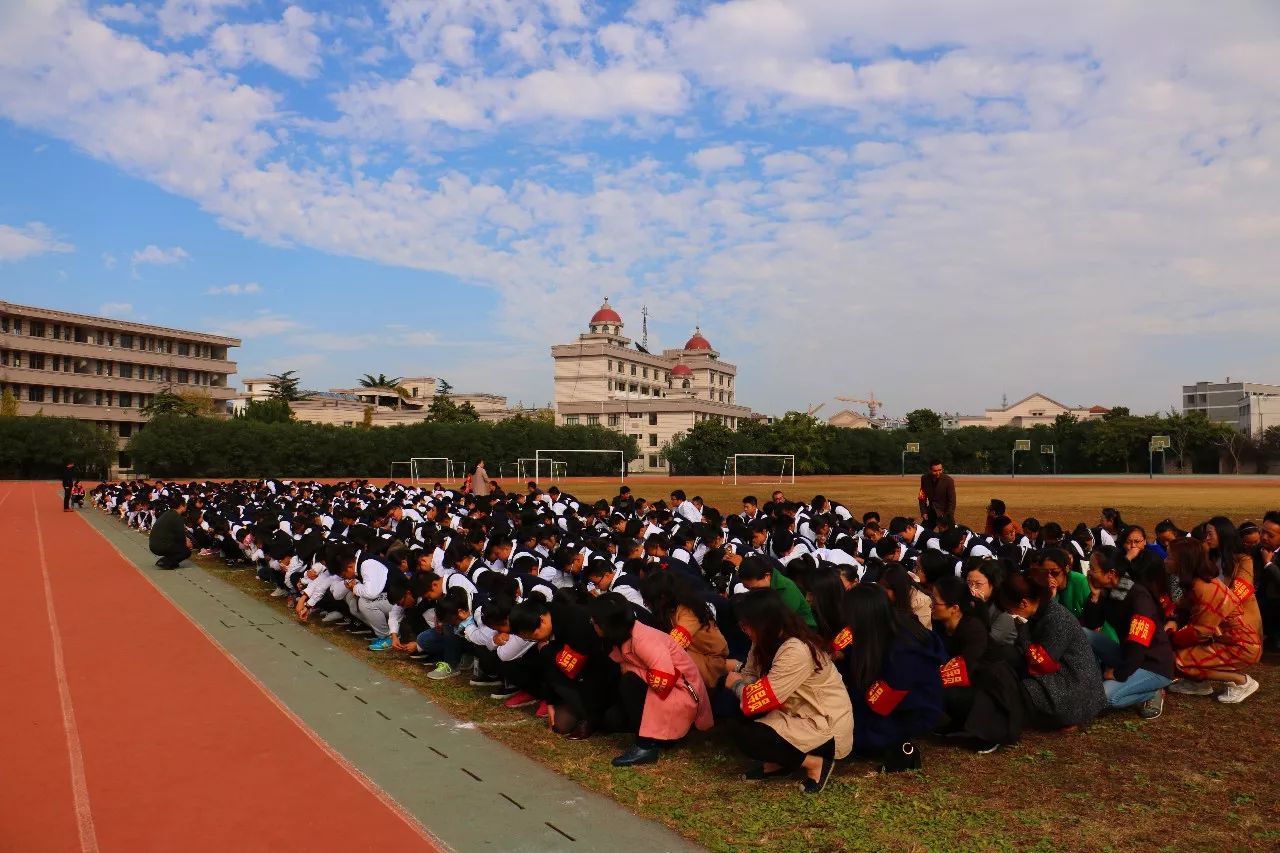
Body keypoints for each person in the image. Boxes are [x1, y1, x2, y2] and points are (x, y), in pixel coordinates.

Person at [725, 589, 852, 794]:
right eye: (742, 625)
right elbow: (750, 674)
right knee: (735, 714)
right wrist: (743, 684)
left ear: (763, 622)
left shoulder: (796, 649)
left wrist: (737, 685)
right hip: (792, 712)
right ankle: (779, 764)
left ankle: (815, 763)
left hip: (823, 722)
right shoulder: (763, 641)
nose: (744, 630)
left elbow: (760, 698)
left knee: (749, 735)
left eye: (746, 625)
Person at [589, 593, 713, 767]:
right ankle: (655, 736)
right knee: (611, 720)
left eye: (594, 621)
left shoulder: (645, 639)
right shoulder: (622, 636)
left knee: (629, 681)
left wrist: (631, 669)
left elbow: (664, 681)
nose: (593, 625)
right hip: (660, 692)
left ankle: (645, 746)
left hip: (679, 693)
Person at [840, 584, 945, 768]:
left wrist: (854, 701)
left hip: (909, 709)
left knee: (851, 737)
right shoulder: (884, 627)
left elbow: (889, 697)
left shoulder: (902, 648)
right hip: (886, 700)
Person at [998, 570, 1106, 730]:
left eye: (1010, 610)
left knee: (1017, 694)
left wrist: (1022, 627)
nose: (1010, 614)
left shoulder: (1056, 618)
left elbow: (1041, 662)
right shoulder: (1040, 613)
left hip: (1073, 687)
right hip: (1063, 677)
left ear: (1024, 603)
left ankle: (1068, 718)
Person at [931, 576, 1023, 751]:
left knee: (945, 687)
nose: (931, 605)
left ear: (954, 608)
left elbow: (966, 667)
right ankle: (958, 723)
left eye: (936, 602)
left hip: (992, 682)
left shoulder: (973, 628)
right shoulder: (940, 625)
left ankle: (989, 733)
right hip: (969, 676)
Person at [1165, 539, 1261, 703]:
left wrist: (1171, 639)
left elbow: (1201, 631)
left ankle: (1241, 681)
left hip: (1239, 645)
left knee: (1176, 661)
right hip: (1225, 638)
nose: (1165, 561)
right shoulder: (1198, 582)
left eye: (1170, 557)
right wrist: (1173, 621)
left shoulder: (1205, 588)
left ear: (1184, 562)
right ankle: (1198, 683)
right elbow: (1183, 608)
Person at [1081, 550, 1174, 719]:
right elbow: (1093, 624)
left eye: (1093, 569)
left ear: (1111, 574)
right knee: (1082, 634)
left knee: (1105, 697)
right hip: (1128, 655)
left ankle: (1152, 691)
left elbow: (1138, 648)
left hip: (1152, 664)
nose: (1089, 572)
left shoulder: (1139, 599)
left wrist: (1118, 674)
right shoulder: (1115, 589)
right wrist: (1094, 597)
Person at [737, 555, 817, 629]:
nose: (751, 592)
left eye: (753, 588)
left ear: (766, 576)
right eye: (747, 589)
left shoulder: (786, 590)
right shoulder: (766, 583)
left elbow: (780, 624)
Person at [148, 496, 192, 569]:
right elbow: (180, 536)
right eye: (185, 504)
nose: (186, 506)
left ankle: (171, 561)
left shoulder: (168, 513)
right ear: (181, 506)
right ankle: (165, 562)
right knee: (186, 551)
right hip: (161, 545)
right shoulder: (177, 517)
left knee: (179, 546)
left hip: (154, 544)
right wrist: (187, 543)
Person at [918, 460, 956, 530]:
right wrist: (924, 512)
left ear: (942, 469)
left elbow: (952, 501)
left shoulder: (949, 481)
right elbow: (922, 497)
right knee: (922, 533)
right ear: (929, 470)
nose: (938, 473)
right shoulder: (924, 478)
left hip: (945, 513)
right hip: (931, 512)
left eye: (940, 470)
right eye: (935, 471)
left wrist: (948, 517)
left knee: (948, 537)